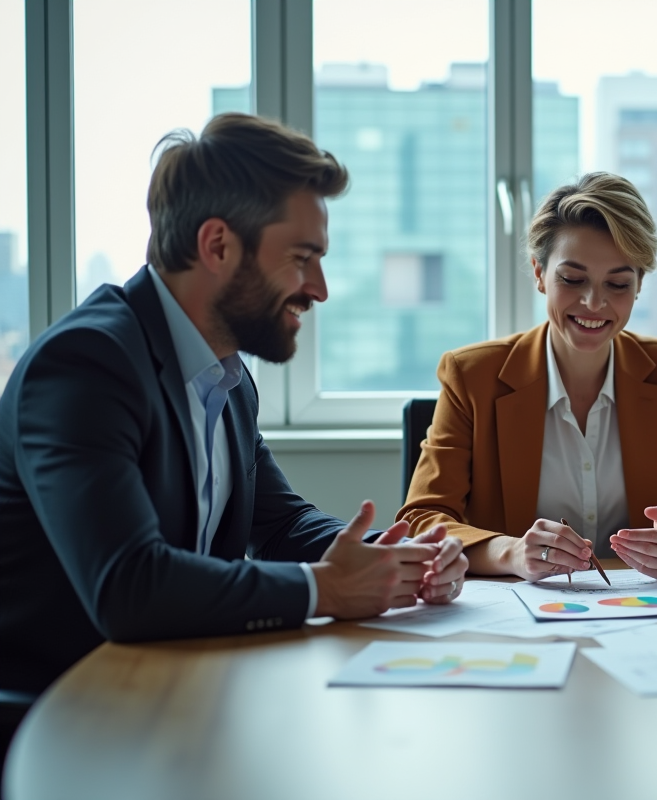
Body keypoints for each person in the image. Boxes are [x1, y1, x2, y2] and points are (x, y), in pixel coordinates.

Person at [0, 113, 469, 697]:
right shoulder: (87, 363)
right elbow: (127, 586)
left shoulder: (226, 376)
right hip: (63, 717)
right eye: (302, 257)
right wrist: (325, 590)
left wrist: (392, 556)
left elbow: (279, 523)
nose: (319, 288)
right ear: (218, 245)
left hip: (179, 691)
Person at [400, 172, 657, 581]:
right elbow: (421, 518)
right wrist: (510, 553)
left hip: (640, 613)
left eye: (618, 283)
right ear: (539, 273)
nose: (594, 302)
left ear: (639, 285)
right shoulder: (472, 376)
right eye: (572, 279)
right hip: (516, 615)